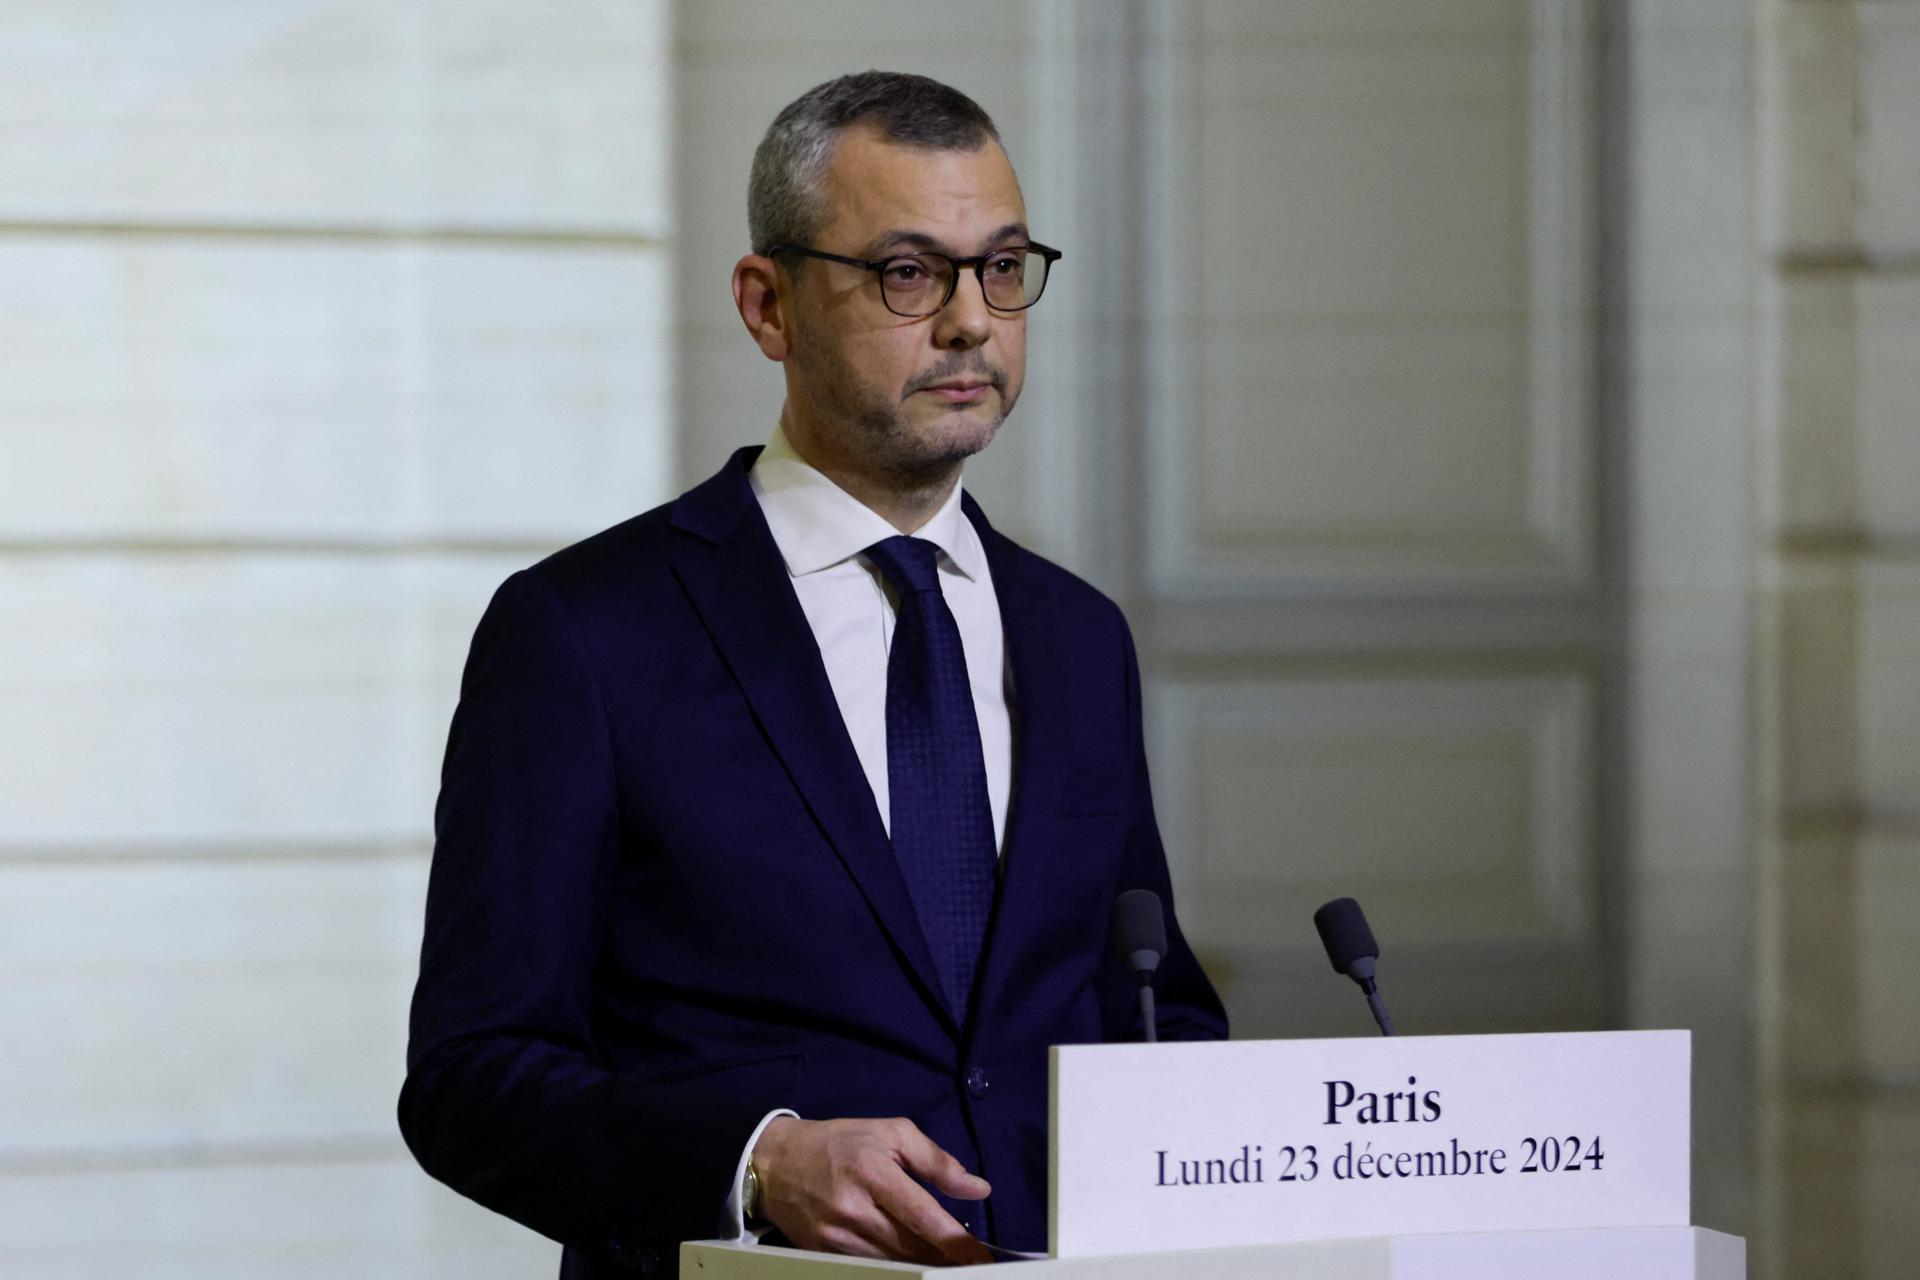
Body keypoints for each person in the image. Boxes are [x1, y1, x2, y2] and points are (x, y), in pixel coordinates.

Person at [398, 70, 1226, 1279]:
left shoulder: (1077, 634)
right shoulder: (582, 632)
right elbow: (473, 1079)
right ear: (768, 303)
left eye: (1001, 268)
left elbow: (1151, 1006)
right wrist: (756, 1161)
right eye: (907, 272)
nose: (969, 322)